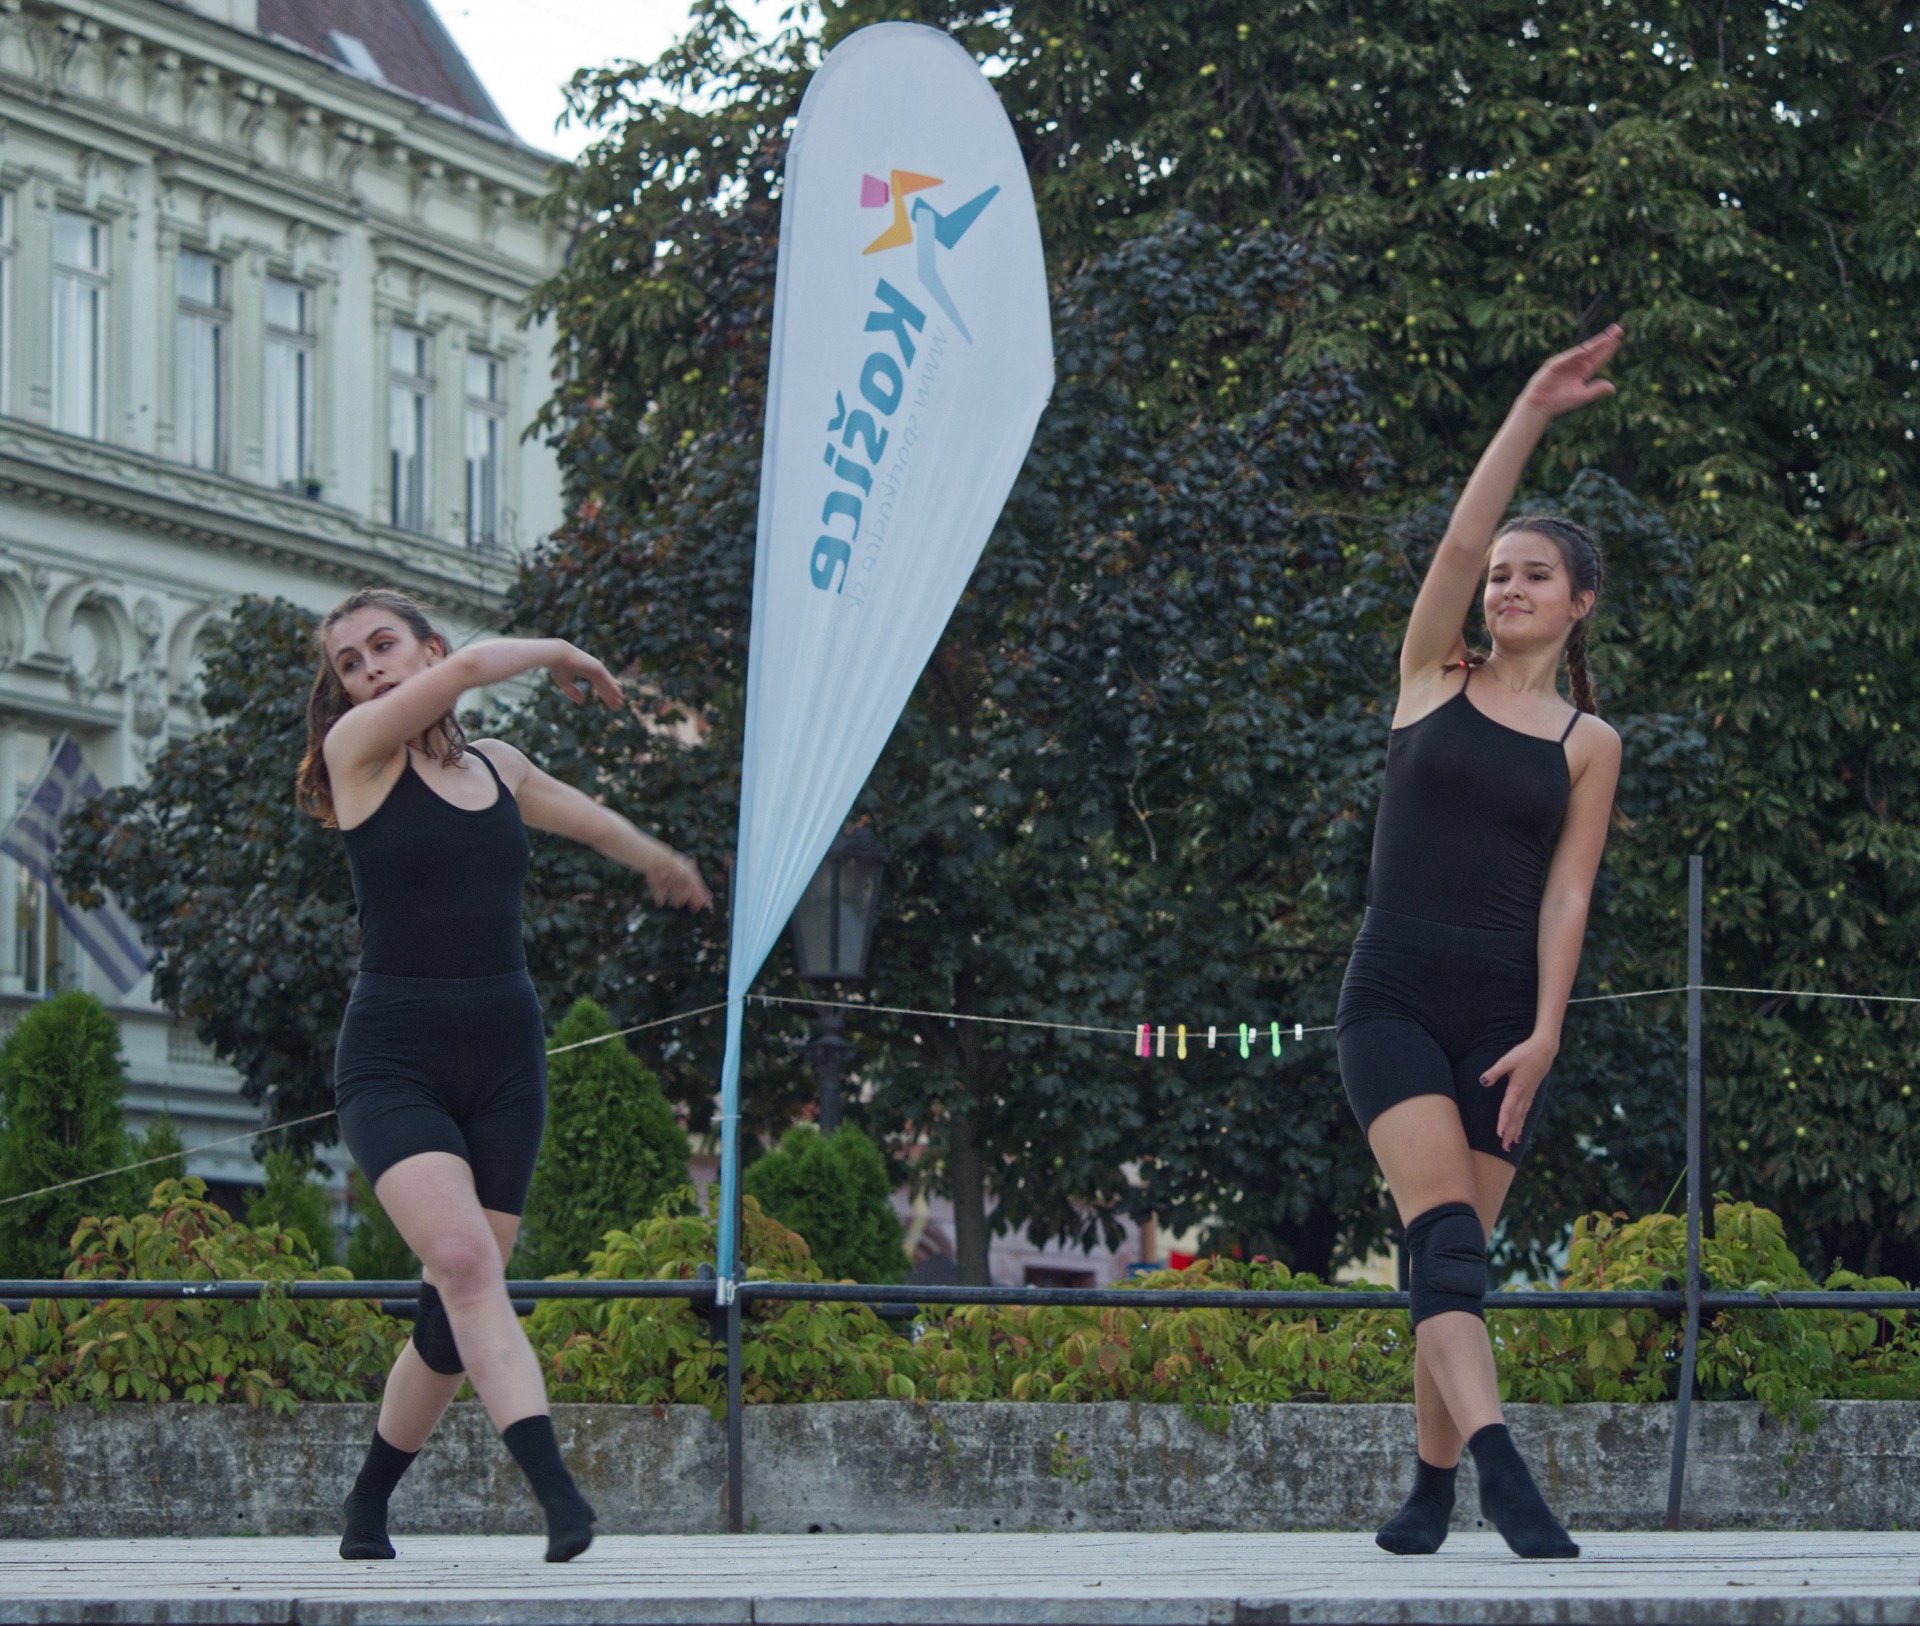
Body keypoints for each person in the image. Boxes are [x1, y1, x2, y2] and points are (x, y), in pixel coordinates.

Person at [294, 587, 711, 1563]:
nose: (369, 670)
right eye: (350, 663)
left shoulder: (499, 766)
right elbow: (478, 668)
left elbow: (590, 820)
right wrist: (561, 648)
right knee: (470, 1265)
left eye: (384, 646)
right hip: (393, 1059)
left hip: (506, 1059)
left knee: (451, 1314)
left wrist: (658, 859)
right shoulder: (358, 753)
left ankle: (365, 1508)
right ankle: (561, 1500)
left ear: (426, 645)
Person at [1338, 329, 1626, 1560]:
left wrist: (1548, 1032)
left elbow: (1568, 897)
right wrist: (1530, 410)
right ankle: (1504, 1470)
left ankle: (1430, 1487)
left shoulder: (1587, 744)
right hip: (1394, 991)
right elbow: (1459, 537)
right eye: (1499, 575)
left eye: (1533, 576)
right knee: (1444, 1239)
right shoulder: (1427, 678)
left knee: (1448, 1269)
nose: (1504, 586)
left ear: (1578, 604)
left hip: (1506, 1012)